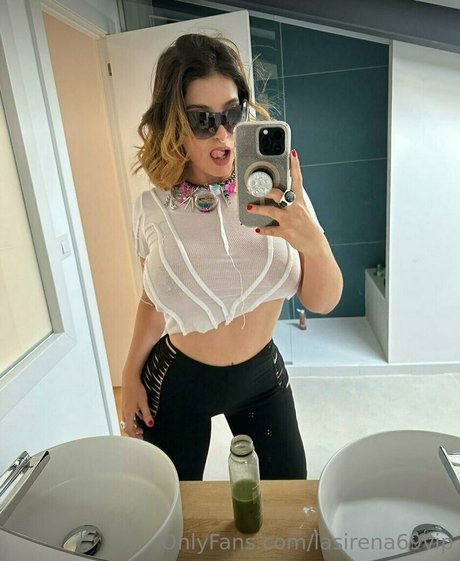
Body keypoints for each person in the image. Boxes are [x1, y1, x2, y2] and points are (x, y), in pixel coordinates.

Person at [121, 33, 343, 481]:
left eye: (232, 113)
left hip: (261, 379)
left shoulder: (280, 194)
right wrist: (129, 375)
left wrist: (313, 241)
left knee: (289, 500)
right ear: (174, 123)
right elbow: (153, 300)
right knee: (173, 506)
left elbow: (323, 301)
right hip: (178, 379)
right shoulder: (152, 208)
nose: (222, 133)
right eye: (202, 120)